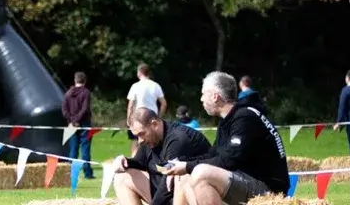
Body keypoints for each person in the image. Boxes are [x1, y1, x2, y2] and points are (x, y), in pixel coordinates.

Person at [161, 71, 289, 205]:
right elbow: (212, 155)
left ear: (215, 96)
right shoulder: (229, 119)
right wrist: (181, 164)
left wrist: (187, 166)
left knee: (201, 173)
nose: (201, 99)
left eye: (203, 94)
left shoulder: (244, 117)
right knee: (184, 176)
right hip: (248, 180)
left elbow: (229, 161)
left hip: (269, 191)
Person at [113, 108, 211, 205]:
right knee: (121, 177)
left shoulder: (178, 139)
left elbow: (167, 185)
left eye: (141, 134)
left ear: (154, 124)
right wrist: (124, 161)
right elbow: (140, 162)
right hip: (166, 194)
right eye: (137, 136)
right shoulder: (150, 139)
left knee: (180, 177)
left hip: (193, 196)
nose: (140, 140)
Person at [126, 63, 167, 156]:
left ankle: (135, 162)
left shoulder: (135, 86)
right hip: (151, 119)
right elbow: (164, 104)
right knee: (152, 143)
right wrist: (159, 118)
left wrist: (129, 120)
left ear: (139, 72)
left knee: (135, 142)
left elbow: (130, 106)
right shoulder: (156, 85)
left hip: (137, 119)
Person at [60, 71, 95, 179]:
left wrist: (72, 120)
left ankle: (71, 173)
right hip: (84, 123)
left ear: (75, 80)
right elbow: (85, 109)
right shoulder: (86, 93)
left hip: (71, 124)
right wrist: (77, 120)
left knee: (73, 149)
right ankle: (87, 173)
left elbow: (64, 109)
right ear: (84, 81)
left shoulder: (68, 93)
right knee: (85, 149)